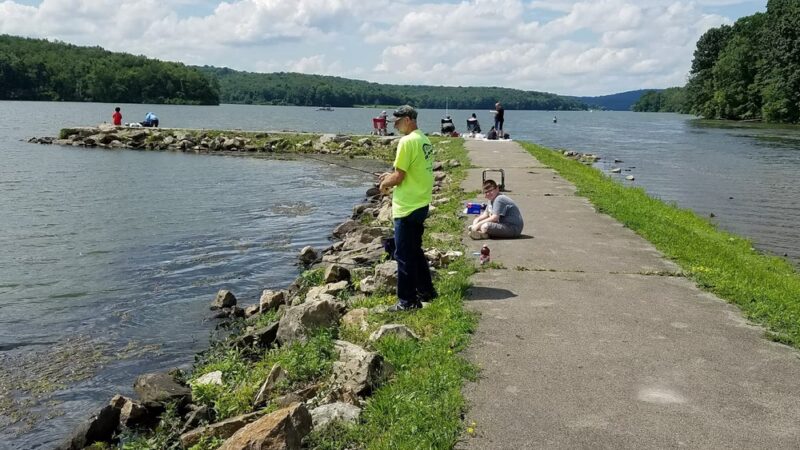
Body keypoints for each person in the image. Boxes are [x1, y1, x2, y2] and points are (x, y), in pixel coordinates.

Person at [379, 105, 437, 311]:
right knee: (415, 250)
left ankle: (408, 302)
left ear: (408, 119)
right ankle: (427, 291)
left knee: (403, 255)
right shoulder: (424, 140)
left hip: (407, 206)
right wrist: (389, 176)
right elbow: (412, 171)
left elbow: (399, 176)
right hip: (421, 203)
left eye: (397, 120)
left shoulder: (406, 141)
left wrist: (385, 183)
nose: (393, 124)